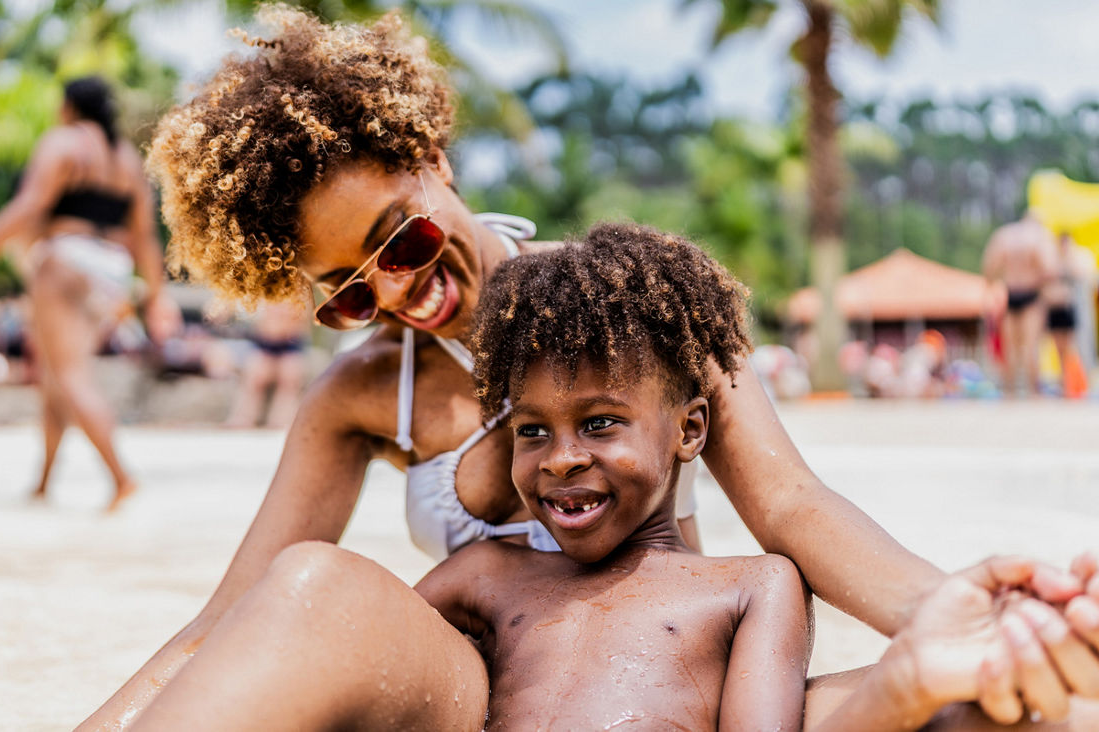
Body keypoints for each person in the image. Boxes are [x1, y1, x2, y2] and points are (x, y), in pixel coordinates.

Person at [82, 7, 1099, 727]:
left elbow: (788, 505)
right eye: (346, 289)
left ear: (430, 154)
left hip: (664, 683)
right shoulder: (359, 392)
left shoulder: (633, 307)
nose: (392, 293)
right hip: (479, 697)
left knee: (998, 703)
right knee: (312, 585)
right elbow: (230, 622)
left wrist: (951, 610)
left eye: (396, 241)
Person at [0, 76, 179, 510]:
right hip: (112, 271)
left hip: (64, 263)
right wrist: (155, 296)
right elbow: (145, 236)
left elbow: (29, 207)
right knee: (55, 376)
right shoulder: (125, 160)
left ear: (68, 107)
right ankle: (43, 483)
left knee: (70, 376)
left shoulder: (64, 144)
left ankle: (121, 478)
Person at [983, 211, 1059, 396]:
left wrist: (996, 285)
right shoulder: (1039, 238)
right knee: (1031, 347)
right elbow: (1050, 271)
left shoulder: (1005, 236)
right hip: (1029, 294)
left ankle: (1009, 392)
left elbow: (989, 267)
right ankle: (1034, 392)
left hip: (1010, 293)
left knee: (1010, 348)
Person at [224, 301, 310, 429]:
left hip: (290, 343)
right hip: (265, 342)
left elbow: (301, 323)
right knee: (255, 378)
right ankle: (243, 418)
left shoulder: (299, 296)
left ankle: (282, 420)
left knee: (289, 379)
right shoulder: (264, 297)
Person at [1043, 232, 1095, 398]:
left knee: (1072, 349)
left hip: (1068, 309)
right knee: (1059, 349)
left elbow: (1084, 276)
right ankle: (1065, 384)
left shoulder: (1076, 260)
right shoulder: (1052, 261)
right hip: (1055, 309)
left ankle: (1074, 384)